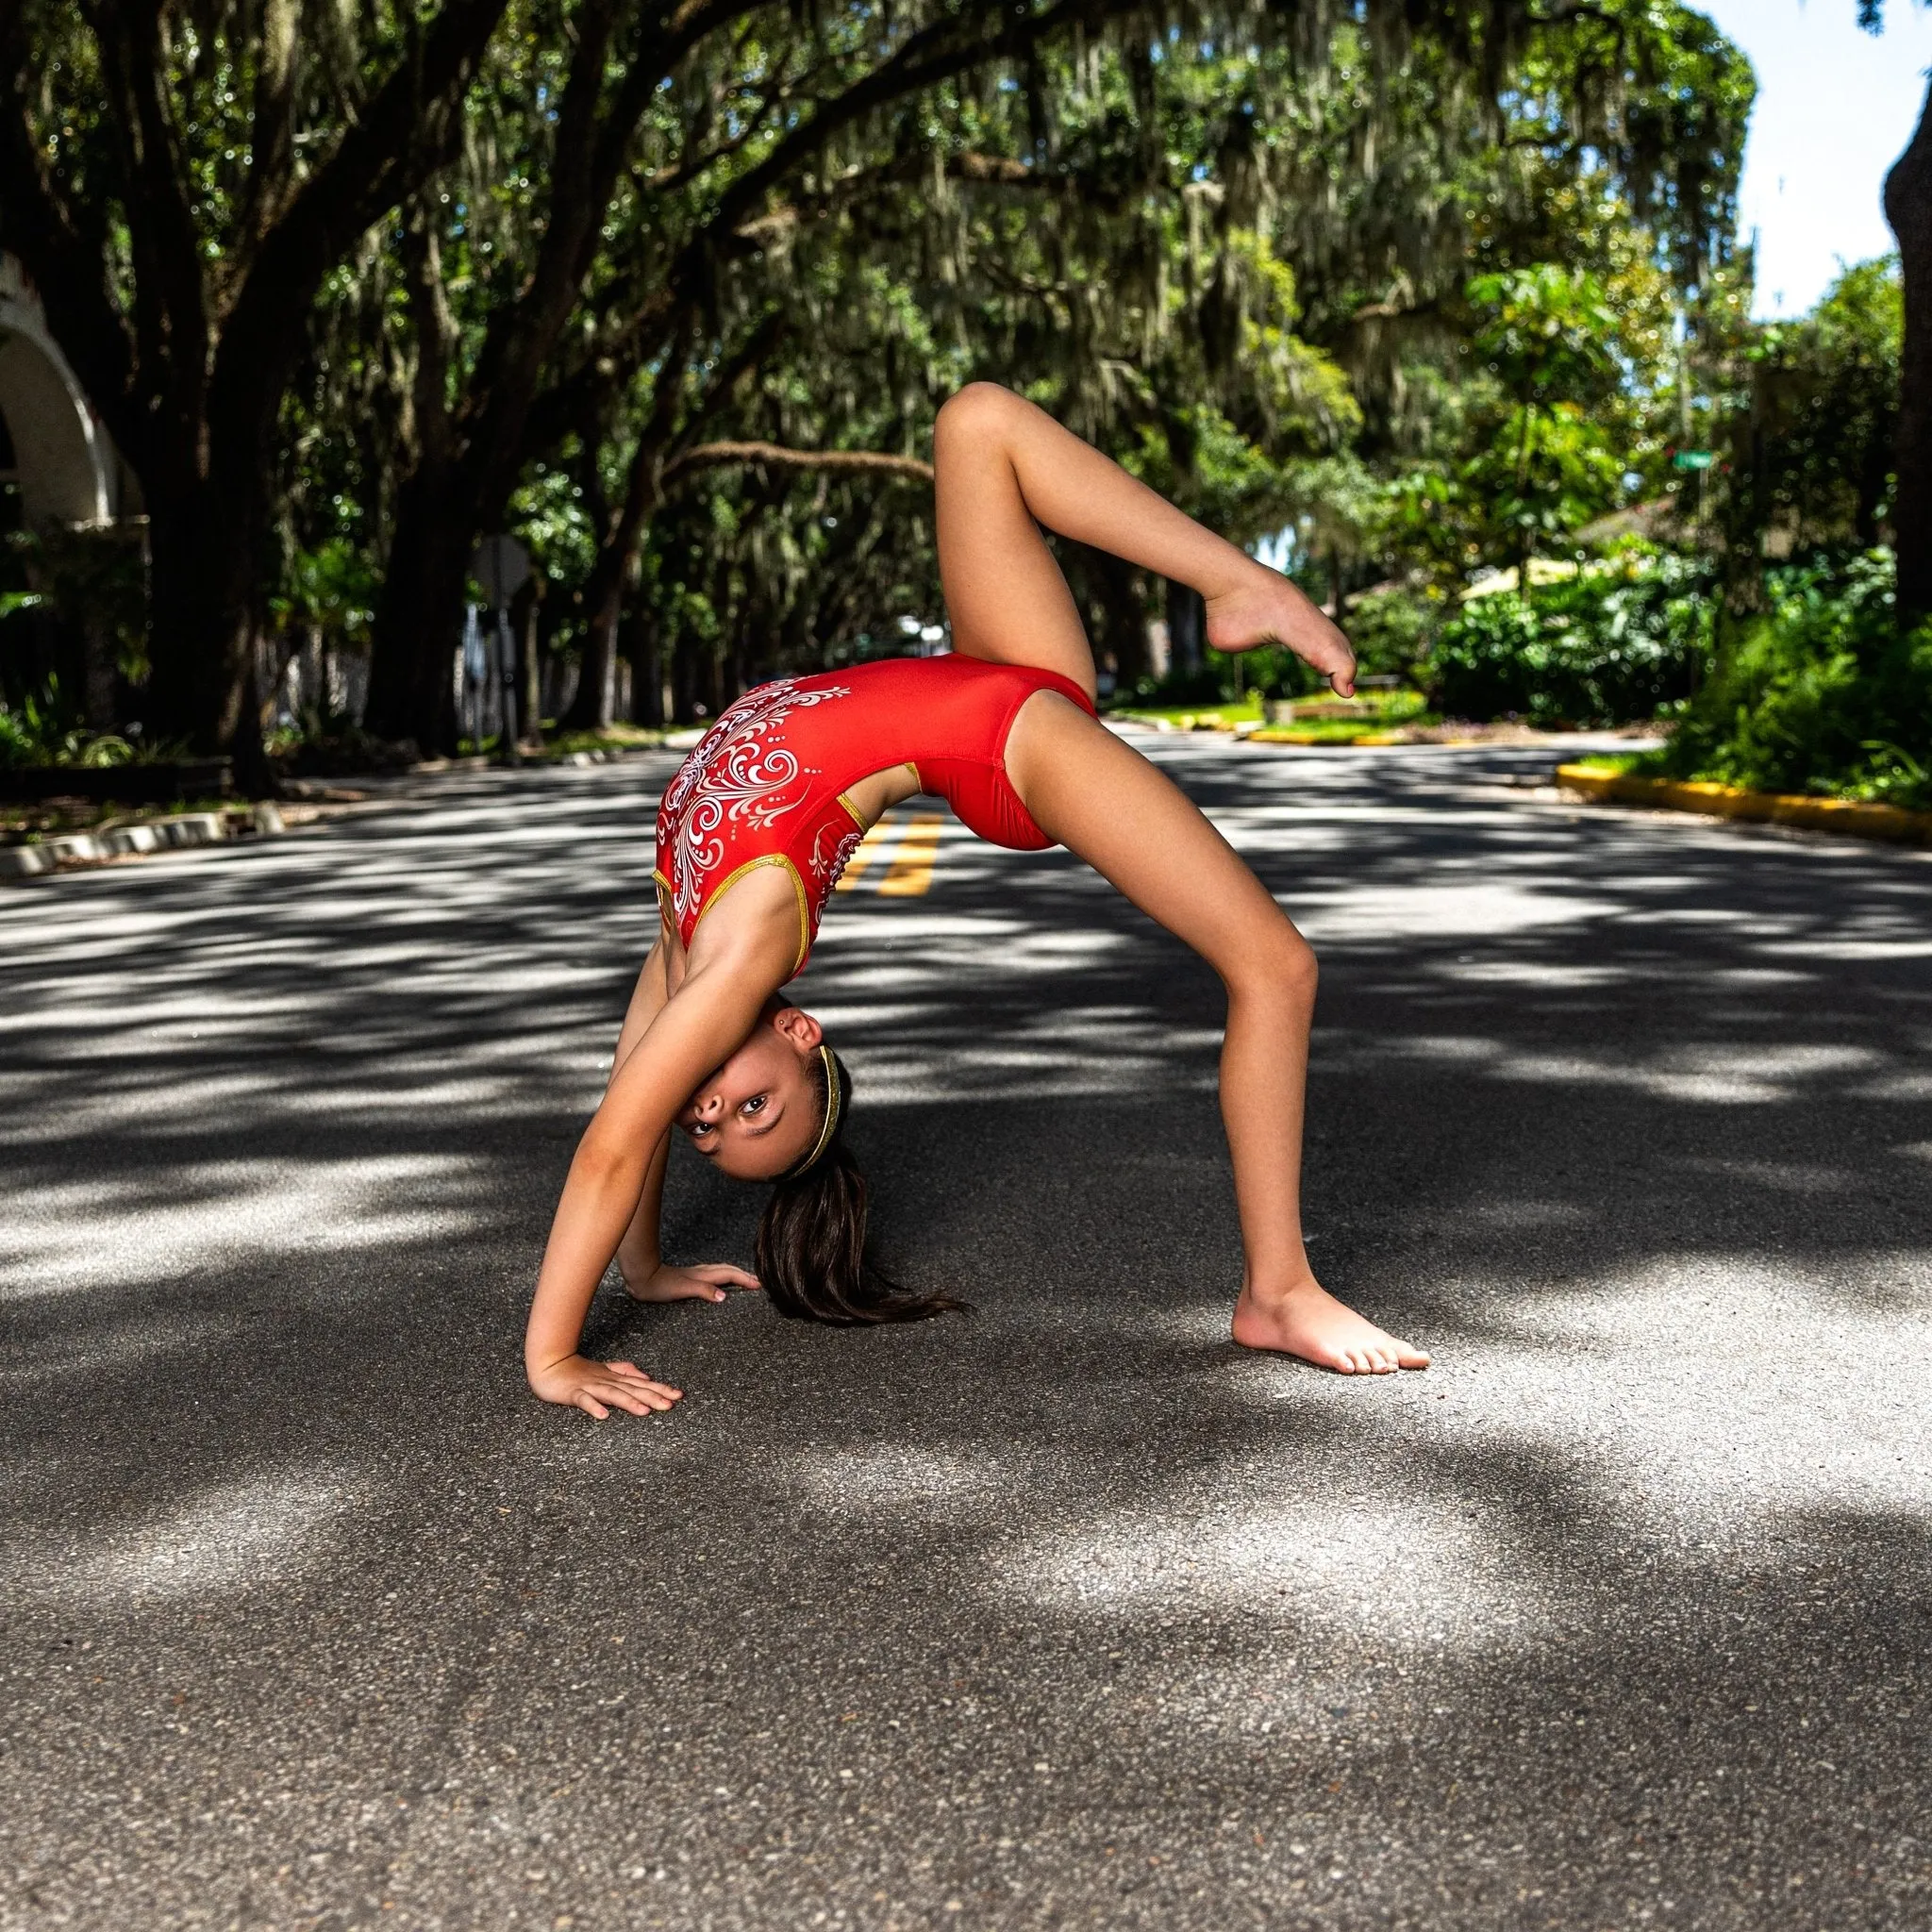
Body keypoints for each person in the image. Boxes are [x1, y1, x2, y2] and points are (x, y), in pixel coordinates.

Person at [523, 383, 1430, 1419]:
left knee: (976, 419)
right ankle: (1277, 1291)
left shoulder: (688, 939)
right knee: (1275, 966)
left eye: (716, 1122)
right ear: (794, 1029)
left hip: (988, 676)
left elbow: (620, 1118)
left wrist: (638, 1274)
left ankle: (1236, 583)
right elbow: (619, 1135)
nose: (707, 1104)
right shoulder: (744, 954)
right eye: (745, 1112)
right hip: (1013, 747)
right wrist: (556, 1357)